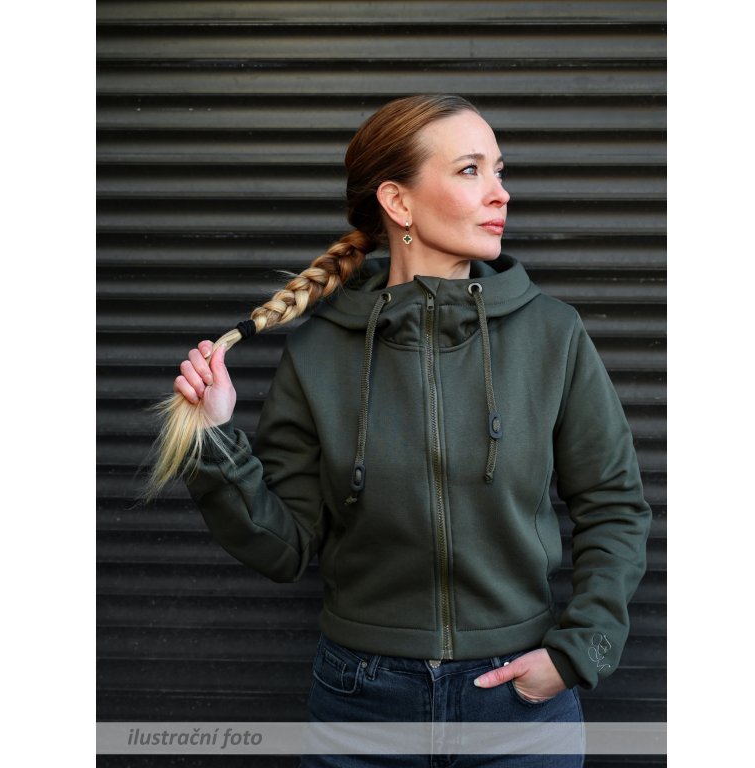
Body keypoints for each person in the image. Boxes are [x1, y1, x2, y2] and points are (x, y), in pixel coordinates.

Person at [161, 94, 651, 767]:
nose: (501, 193)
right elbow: (284, 548)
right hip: (360, 705)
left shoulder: (552, 334)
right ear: (398, 201)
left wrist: (577, 653)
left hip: (518, 705)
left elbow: (615, 505)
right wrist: (214, 439)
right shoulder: (319, 352)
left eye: (499, 170)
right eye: (471, 171)